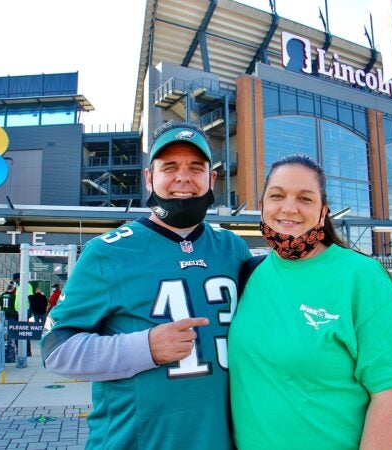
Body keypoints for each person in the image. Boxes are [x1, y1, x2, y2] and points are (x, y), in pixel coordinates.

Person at [40, 122, 251, 449]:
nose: (183, 177)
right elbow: (56, 349)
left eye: (196, 168)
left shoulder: (232, 248)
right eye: (170, 167)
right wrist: (145, 348)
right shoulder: (108, 251)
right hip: (136, 441)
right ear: (149, 177)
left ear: (212, 179)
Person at [228, 154, 392, 450]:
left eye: (305, 199)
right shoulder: (250, 274)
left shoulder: (360, 276)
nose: (289, 208)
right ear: (263, 205)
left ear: (323, 213)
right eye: (277, 196)